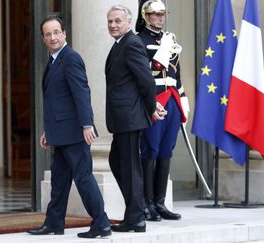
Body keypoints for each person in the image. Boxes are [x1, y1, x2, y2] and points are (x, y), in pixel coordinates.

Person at [27, 17, 111, 238]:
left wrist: (87, 124)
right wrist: (49, 130)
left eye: (56, 32)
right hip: (61, 133)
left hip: (74, 132)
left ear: (64, 34)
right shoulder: (54, 59)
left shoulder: (71, 58)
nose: (53, 37)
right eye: (48, 34)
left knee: (83, 178)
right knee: (59, 181)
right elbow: (57, 100)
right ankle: (54, 223)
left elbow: (82, 93)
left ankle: (101, 223)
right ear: (43, 38)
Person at [105, 5, 163, 233]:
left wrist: (150, 109)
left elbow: (147, 81)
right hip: (123, 118)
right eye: (110, 21)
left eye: (118, 21)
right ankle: (135, 212)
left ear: (129, 23)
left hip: (130, 117)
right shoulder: (120, 44)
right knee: (117, 163)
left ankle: (136, 218)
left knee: (129, 168)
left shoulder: (131, 44)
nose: (113, 25)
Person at [137, 0, 189, 221]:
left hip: (172, 98)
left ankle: (160, 202)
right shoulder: (140, 40)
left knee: (167, 150)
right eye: (154, 14)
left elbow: (176, 74)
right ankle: (147, 203)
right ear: (145, 16)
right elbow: (143, 75)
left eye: (161, 14)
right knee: (150, 149)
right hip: (155, 99)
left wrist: (182, 100)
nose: (159, 18)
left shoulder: (170, 39)